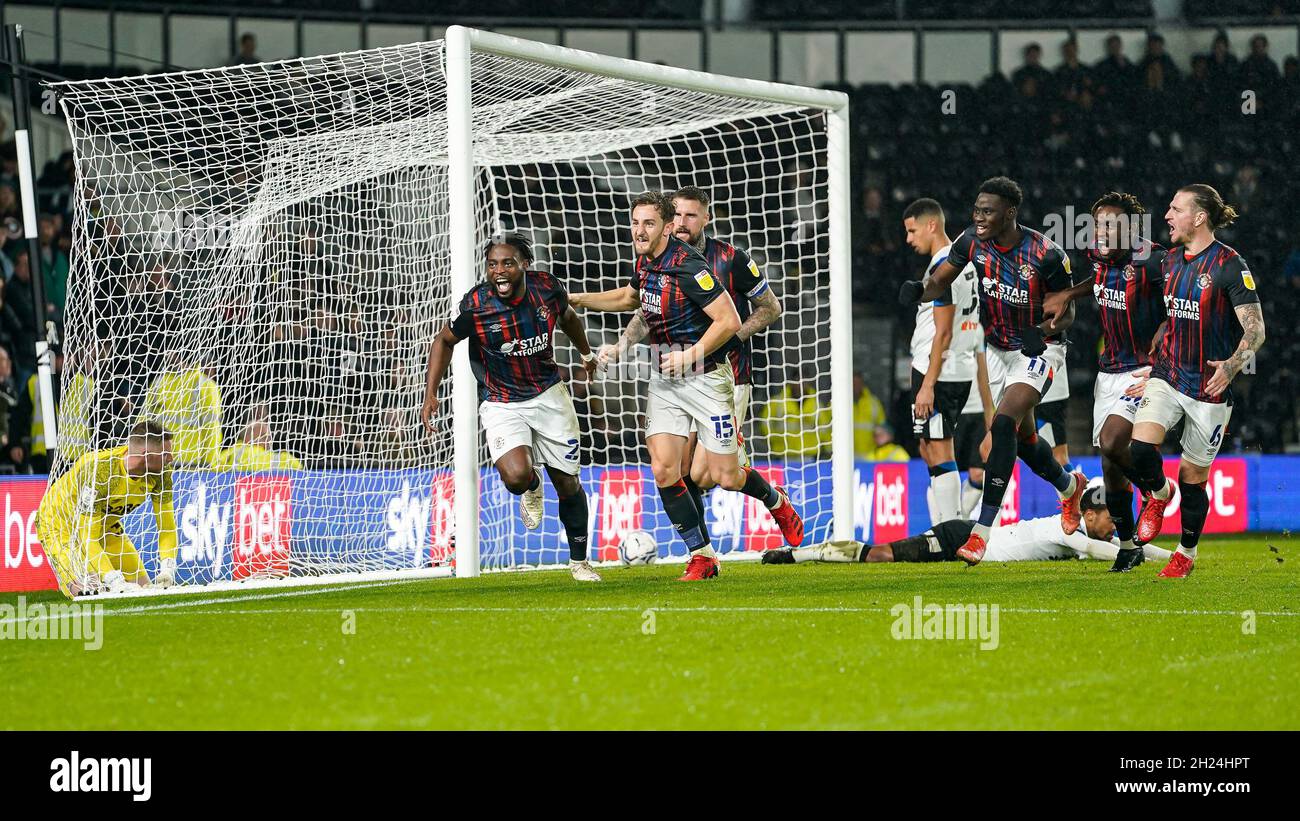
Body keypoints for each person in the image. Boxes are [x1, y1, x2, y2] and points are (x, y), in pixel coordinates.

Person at [571, 191, 804, 581]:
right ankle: (702, 555)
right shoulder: (646, 263)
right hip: (666, 379)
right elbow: (632, 299)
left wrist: (690, 354)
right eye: (635, 223)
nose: (639, 231)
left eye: (648, 223)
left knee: (724, 476)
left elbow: (729, 319)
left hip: (707, 378)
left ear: (664, 228)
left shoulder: (690, 265)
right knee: (664, 469)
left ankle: (776, 501)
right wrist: (582, 300)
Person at [899, 176, 1086, 566]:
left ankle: (980, 532)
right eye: (977, 210)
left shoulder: (1047, 254)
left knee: (1002, 427)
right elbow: (939, 281)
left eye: (988, 211)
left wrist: (1044, 331)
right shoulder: (971, 241)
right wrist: (920, 291)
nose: (979, 217)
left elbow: (1068, 310)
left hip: (1039, 351)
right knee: (1027, 441)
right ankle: (1069, 487)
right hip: (997, 350)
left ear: (1010, 213)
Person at [421, 233, 601, 582]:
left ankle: (579, 562)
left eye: (507, 263)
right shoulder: (477, 305)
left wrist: (586, 353)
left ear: (525, 265)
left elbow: (567, 318)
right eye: (492, 264)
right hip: (502, 401)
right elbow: (444, 340)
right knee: (516, 476)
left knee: (567, 484)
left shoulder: (546, 288)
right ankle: (532, 485)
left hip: (549, 395)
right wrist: (431, 392)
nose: (499, 271)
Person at [600, 185, 783, 509]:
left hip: (725, 375)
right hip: (676, 375)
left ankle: (764, 494)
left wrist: (730, 338)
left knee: (704, 474)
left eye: (691, 215)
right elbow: (645, 310)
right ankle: (703, 552)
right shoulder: (656, 260)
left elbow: (771, 308)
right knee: (675, 468)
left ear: (706, 218)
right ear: (669, 221)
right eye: (678, 214)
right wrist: (623, 345)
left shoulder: (730, 259)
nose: (683, 222)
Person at [1126, 185, 1266, 578]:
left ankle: (1186, 552)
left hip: (1208, 388)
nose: (1167, 215)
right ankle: (1157, 494)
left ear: (1199, 217)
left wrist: (1232, 365)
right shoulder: (1168, 261)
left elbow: (1255, 331)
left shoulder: (1229, 265)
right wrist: (1154, 352)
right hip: (1168, 374)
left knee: (1193, 478)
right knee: (1139, 449)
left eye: (1175, 208)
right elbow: (1173, 315)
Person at [1042, 192, 1167, 571]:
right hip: (1107, 372)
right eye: (1098, 224)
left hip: (1142, 370)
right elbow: (1096, 282)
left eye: (1111, 225)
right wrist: (1068, 292)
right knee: (1111, 469)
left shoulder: (1153, 260)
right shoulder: (1098, 259)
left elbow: (1181, 305)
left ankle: (1159, 490)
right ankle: (1129, 547)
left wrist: (1163, 341)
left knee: (1115, 442)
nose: (1102, 231)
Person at [762, 486, 1171, 566]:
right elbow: (1105, 550)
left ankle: (800, 554)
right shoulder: (1063, 530)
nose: (1114, 525)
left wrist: (1174, 557)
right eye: (1110, 518)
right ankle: (799, 554)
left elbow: (1129, 543)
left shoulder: (1082, 528)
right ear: (1090, 513)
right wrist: (1131, 555)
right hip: (962, 537)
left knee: (883, 556)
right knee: (881, 555)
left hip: (973, 543)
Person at [902, 197, 980, 524]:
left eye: (912, 230)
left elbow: (943, 331)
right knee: (929, 447)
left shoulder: (943, 267)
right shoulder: (966, 263)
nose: (908, 238)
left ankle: (950, 530)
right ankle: (947, 524)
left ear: (931, 224)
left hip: (937, 370)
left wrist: (928, 385)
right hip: (955, 368)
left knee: (939, 449)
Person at [35, 421, 178, 597]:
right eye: (165, 454)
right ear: (146, 455)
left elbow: (167, 526)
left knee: (144, 590)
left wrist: (167, 567)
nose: (171, 459)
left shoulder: (160, 473)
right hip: (60, 523)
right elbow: (87, 536)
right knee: (89, 592)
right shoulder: (100, 471)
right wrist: (112, 578)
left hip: (102, 524)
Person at [142, 354, 223, 469]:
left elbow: (211, 428)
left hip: (192, 464)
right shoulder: (157, 384)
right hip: (162, 462)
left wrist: (210, 464)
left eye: (172, 353)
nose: (168, 356)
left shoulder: (203, 384)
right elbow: (143, 424)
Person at [955, 332, 994, 517]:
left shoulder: (975, 329)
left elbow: (982, 372)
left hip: (976, 409)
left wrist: (988, 411)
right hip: (952, 411)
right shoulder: (937, 323)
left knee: (978, 473)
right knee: (946, 471)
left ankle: (961, 517)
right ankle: (942, 521)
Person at [758, 367, 830, 459]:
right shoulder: (776, 403)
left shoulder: (817, 405)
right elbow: (765, 425)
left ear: (809, 383)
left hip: (809, 455)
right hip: (783, 455)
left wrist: (820, 445)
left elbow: (825, 428)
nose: (801, 384)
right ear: (791, 382)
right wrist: (776, 441)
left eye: (804, 381)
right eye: (797, 380)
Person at [215, 405, 303, 472]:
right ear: (248, 438)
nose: (268, 440)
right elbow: (299, 468)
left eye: (269, 437)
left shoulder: (227, 454)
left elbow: (213, 469)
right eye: (263, 436)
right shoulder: (282, 459)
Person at [853, 373, 887, 459]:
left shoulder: (873, 403)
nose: (855, 386)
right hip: (845, 456)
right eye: (853, 383)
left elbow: (882, 427)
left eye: (858, 383)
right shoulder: (840, 402)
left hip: (869, 455)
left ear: (862, 384)